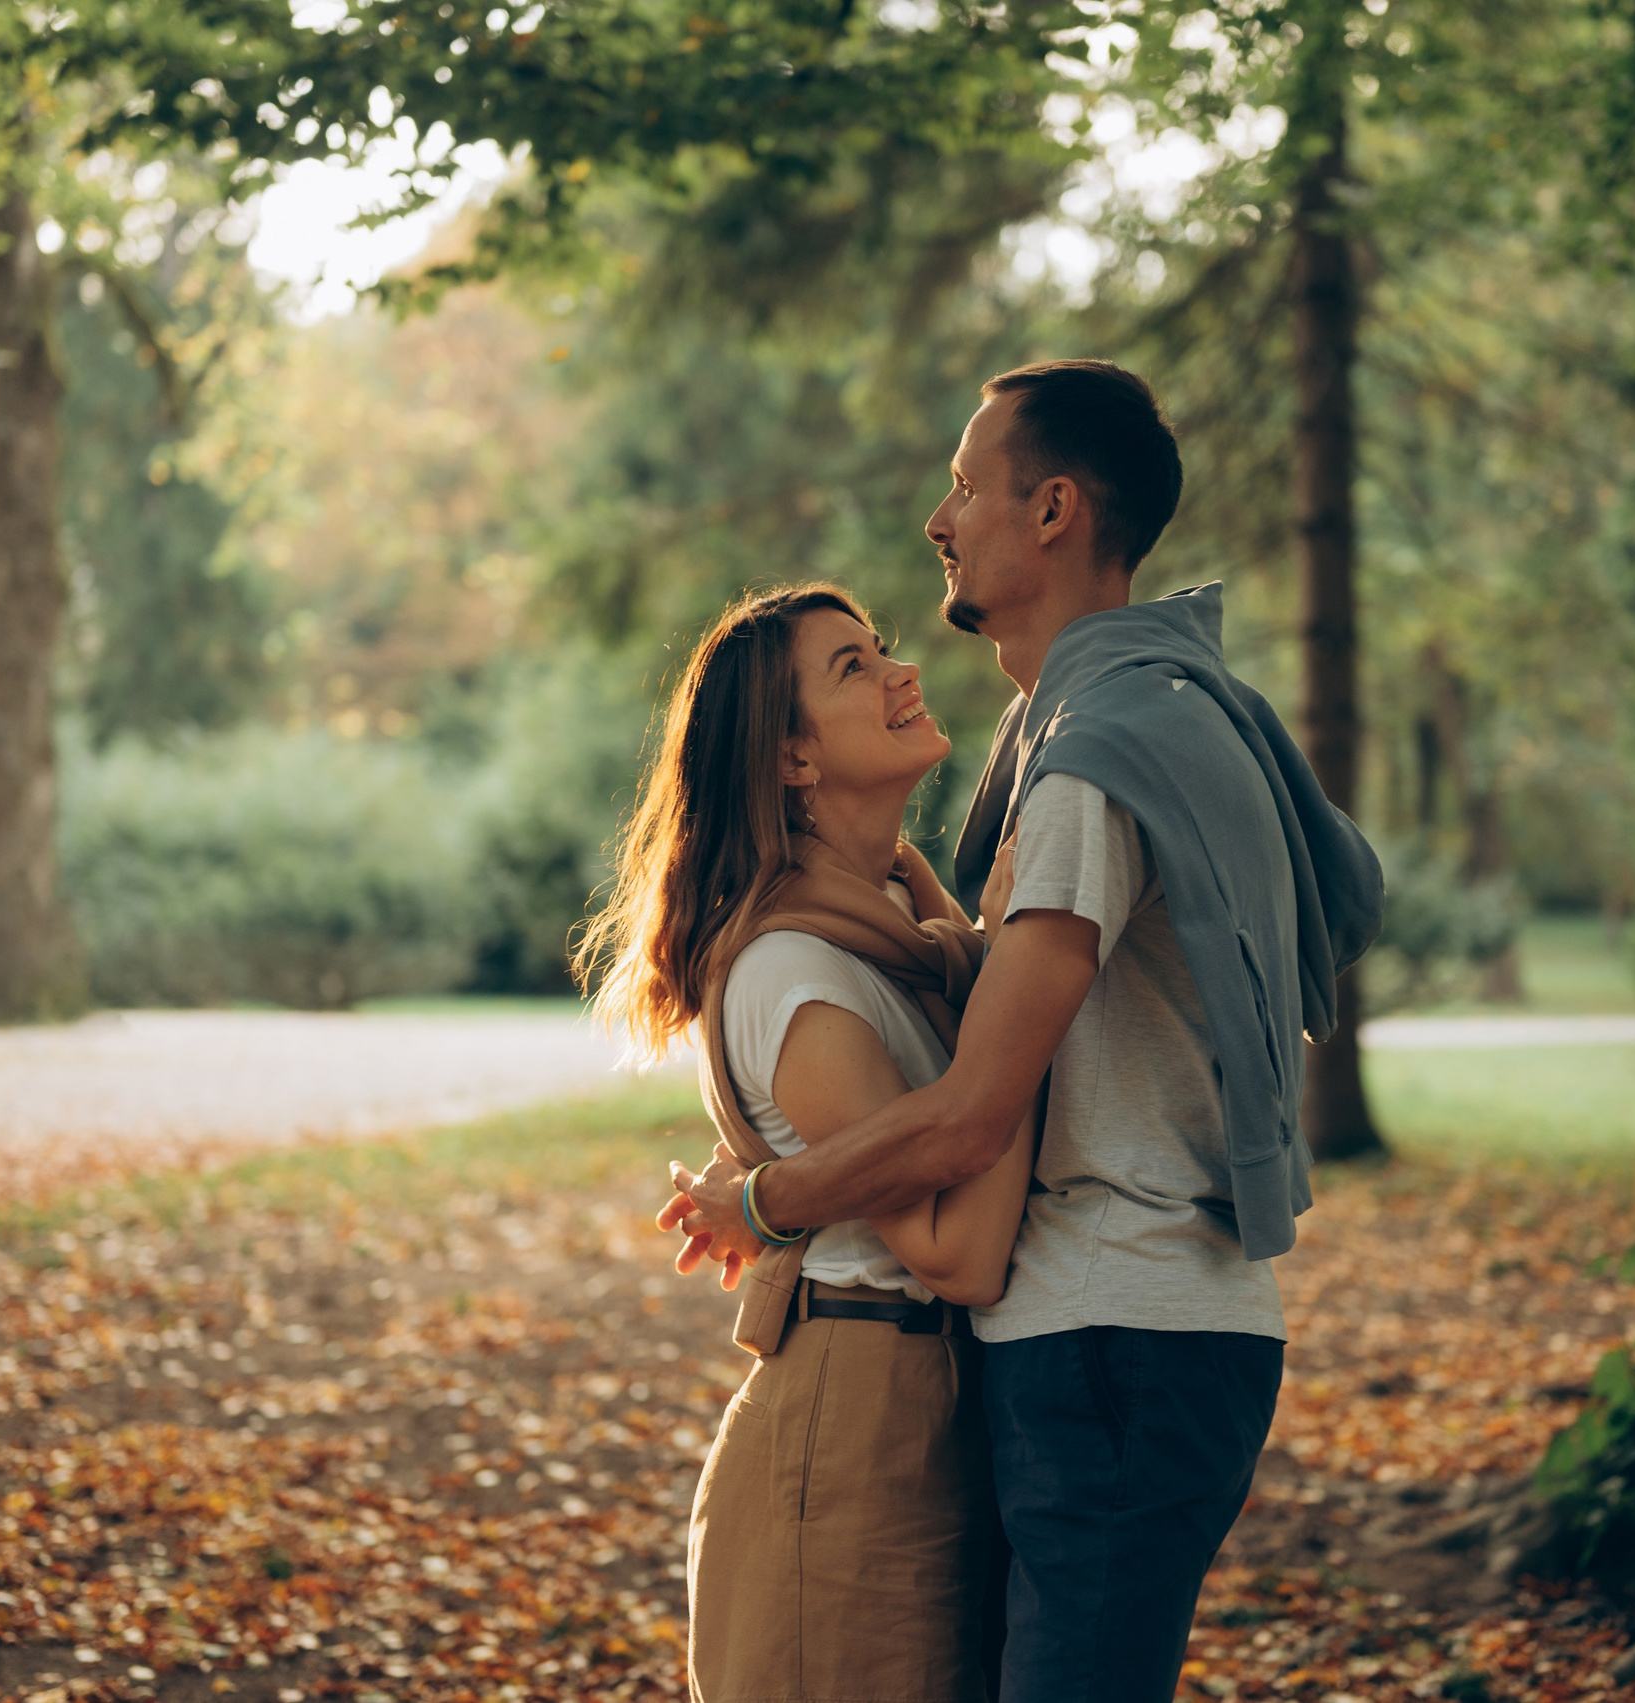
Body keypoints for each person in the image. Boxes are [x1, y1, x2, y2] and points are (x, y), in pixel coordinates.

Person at [661, 360, 1384, 1702]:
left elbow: (977, 1110)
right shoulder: (1157, 718)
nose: (940, 519)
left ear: (1051, 511)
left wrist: (765, 1197)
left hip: (1116, 1332)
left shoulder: (1090, 760)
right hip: (1133, 1332)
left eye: (967, 485)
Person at [578, 583, 1040, 1703]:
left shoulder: (898, 931)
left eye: (881, 649)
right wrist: (1027, 992)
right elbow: (957, 1251)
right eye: (852, 668)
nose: (902, 672)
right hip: (850, 1431)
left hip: (914, 1407)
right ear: (790, 757)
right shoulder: (798, 974)